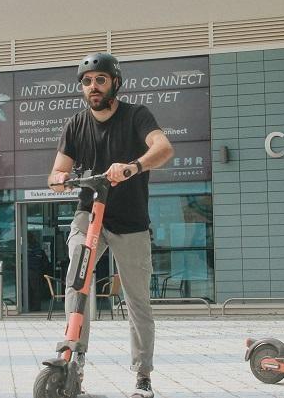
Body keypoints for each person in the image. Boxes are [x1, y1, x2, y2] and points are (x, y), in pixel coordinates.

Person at [48, 52, 174, 398]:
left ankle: (142, 375)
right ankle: (73, 359)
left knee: (137, 301)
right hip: (89, 214)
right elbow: (57, 171)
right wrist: (59, 178)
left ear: (115, 83)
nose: (93, 87)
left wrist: (133, 166)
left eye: (100, 80)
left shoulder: (136, 116)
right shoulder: (75, 125)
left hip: (130, 221)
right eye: (87, 82)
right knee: (77, 280)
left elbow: (163, 148)